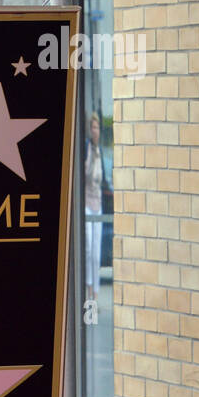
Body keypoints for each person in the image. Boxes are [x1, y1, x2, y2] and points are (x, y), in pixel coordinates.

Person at [85, 114, 104, 302]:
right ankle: (88, 289)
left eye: (97, 128)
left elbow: (102, 179)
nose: (95, 131)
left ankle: (95, 295)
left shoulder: (100, 151)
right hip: (86, 205)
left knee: (97, 254)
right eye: (93, 127)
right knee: (88, 249)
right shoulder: (87, 149)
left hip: (98, 205)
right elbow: (85, 174)